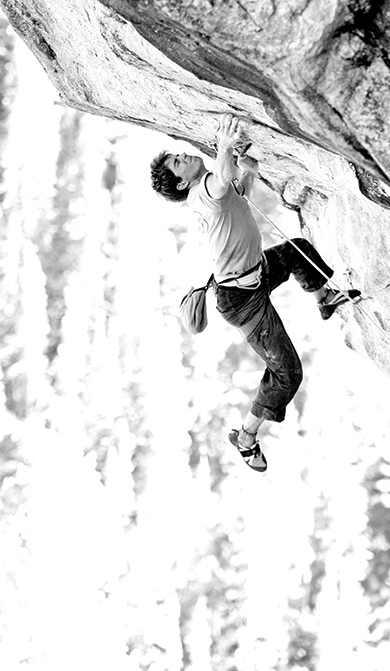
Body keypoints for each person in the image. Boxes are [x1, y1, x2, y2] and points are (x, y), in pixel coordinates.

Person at [150, 116, 360, 473]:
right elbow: (223, 179)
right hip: (242, 302)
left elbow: (240, 180)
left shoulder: (208, 187)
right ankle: (246, 437)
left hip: (254, 277)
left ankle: (324, 298)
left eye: (178, 155)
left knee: (297, 251)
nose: (184, 155)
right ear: (182, 182)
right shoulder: (202, 194)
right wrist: (224, 143)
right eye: (177, 162)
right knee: (287, 373)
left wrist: (245, 164)